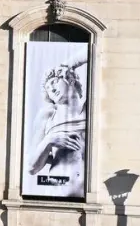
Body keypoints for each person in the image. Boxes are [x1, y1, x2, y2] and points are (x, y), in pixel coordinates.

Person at [26, 62, 87, 195]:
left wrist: (69, 64)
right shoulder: (48, 115)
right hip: (59, 190)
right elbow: (31, 167)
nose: (52, 89)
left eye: (54, 82)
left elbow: (96, 51)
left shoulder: (91, 109)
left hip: (87, 191)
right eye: (48, 88)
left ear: (69, 79)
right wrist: (49, 140)